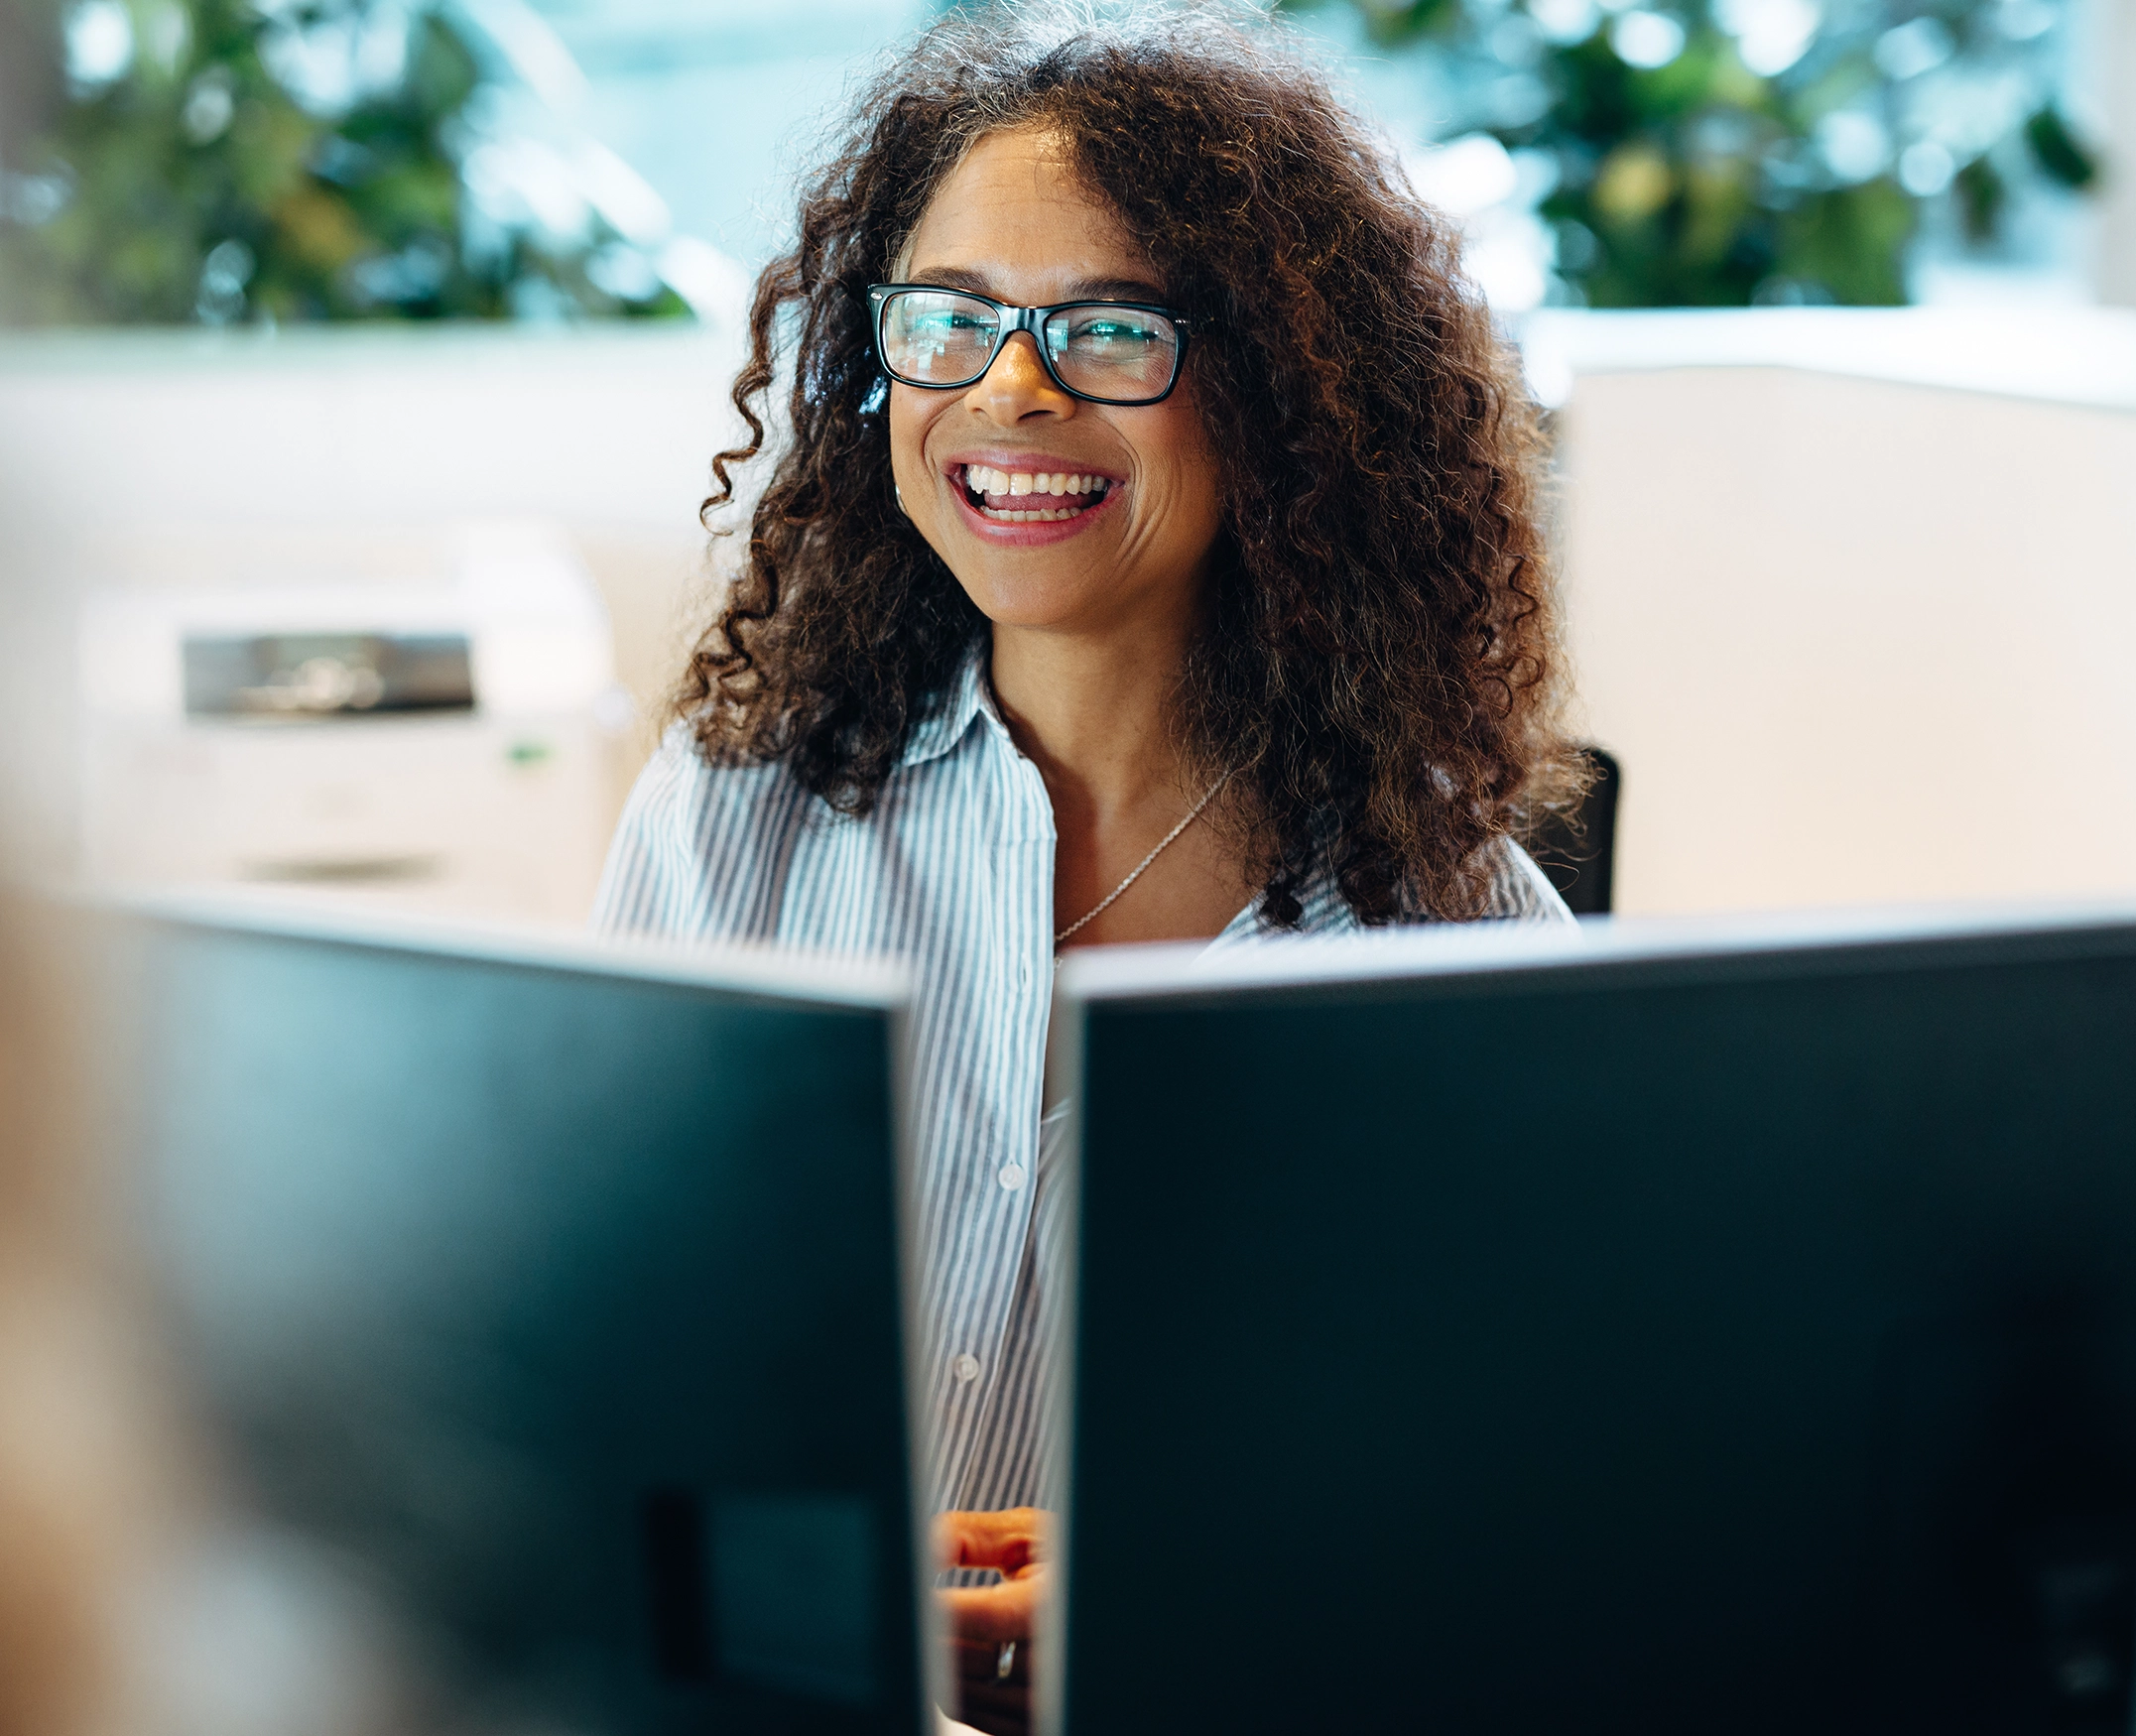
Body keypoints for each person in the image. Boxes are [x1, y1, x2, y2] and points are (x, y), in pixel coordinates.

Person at [594, 4, 1582, 1728]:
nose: (1011, 386)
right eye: (952, 322)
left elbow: (1522, 1505)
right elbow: (594, 1363)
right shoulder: (730, 815)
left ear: (1277, 397)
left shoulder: (1455, 925)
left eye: (1111, 326)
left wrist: (1168, 1591)